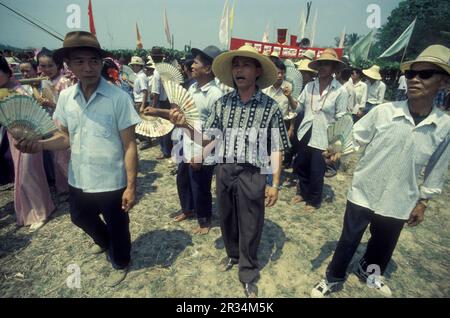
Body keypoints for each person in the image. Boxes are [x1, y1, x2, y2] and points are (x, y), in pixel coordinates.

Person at [311, 44, 450, 298]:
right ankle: (333, 278)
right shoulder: (385, 112)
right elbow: (354, 137)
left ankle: (369, 272)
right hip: (365, 189)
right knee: (349, 239)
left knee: (383, 244)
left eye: (425, 74)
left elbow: (437, 166)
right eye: (410, 74)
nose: (415, 79)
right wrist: (337, 148)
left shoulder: (443, 125)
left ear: (443, 82)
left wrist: (423, 201)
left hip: (400, 196)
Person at [14, 31, 141, 287]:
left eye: (94, 60)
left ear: (101, 63)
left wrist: (131, 185)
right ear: (69, 65)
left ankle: (121, 260)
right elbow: (64, 137)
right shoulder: (65, 97)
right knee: (79, 217)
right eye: (80, 61)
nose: (88, 67)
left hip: (111, 179)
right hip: (79, 176)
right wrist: (39, 145)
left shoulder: (118, 98)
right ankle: (105, 243)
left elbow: (129, 145)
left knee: (118, 224)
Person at [170, 45, 290, 297]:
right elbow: (207, 140)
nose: (239, 70)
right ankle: (233, 255)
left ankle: (247, 272)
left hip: (253, 172)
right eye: (236, 65)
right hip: (224, 169)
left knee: (250, 223)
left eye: (246, 65)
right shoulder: (223, 104)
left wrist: (275, 183)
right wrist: (185, 126)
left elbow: (277, 148)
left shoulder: (270, 108)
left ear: (257, 71)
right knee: (227, 218)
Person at [150, 46, 223, 234]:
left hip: (203, 147)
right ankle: (187, 209)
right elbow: (182, 114)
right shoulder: (192, 87)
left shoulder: (215, 94)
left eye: (196, 62)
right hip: (185, 141)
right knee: (183, 180)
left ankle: (204, 220)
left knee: (200, 185)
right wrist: (158, 111)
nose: (191, 65)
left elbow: (218, 133)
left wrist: (201, 154)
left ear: (208, 69)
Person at [0, 56, 54, 230]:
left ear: (7, 72)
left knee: (29, 174)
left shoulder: (20, 90)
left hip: (30, 135)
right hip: (13, 137)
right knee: (20, 175)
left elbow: (34, 114)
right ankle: (28, 212)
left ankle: (41, 211)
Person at [291, 49, 348, 212]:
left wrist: (337, 143)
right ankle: (302, 192)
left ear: (334, 68)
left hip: (325, 134)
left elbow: (342, 118)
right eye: (320, 64)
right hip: (306, 130)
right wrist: (289, 97)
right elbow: (299, 107)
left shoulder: (340, 91)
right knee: (301, 164)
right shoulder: (310, 86)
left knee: (317, 169)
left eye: (326, 64)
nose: (322, 67)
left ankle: (314, 200)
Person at [149, 46, 172, 158]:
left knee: (162, 128)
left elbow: (156, 93)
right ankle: (168, 150)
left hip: (161, 102)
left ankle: (165, 151)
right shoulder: (166, 68)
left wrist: (153, 108)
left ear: (152, 58)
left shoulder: (157, 71)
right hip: (169, 101)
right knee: (168, 127)